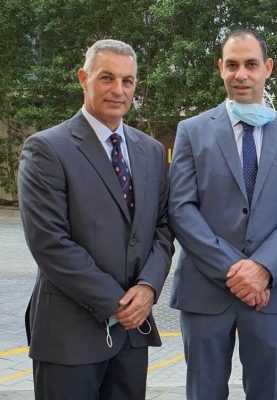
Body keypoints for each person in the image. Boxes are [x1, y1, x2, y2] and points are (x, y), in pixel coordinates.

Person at [18, 39, 174, 399]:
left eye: (127, 81)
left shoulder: (151, 151)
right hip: (69, 337)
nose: (118, 90)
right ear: (82, 78)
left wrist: (148, 288)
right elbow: (50, 243)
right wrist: (119, 304)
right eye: (107, 78)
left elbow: (163, 229)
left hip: (131, 337)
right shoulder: (46, 149)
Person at [168, 29, 277, 400]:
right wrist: (235, 271)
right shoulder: (192, 131)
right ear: (220, 68)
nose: (241, 74)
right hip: (204, 291)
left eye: (251, 64)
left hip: (270, 292)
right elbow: (181, 207)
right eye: (232, 65)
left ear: (268, 68)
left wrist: (262, 267)